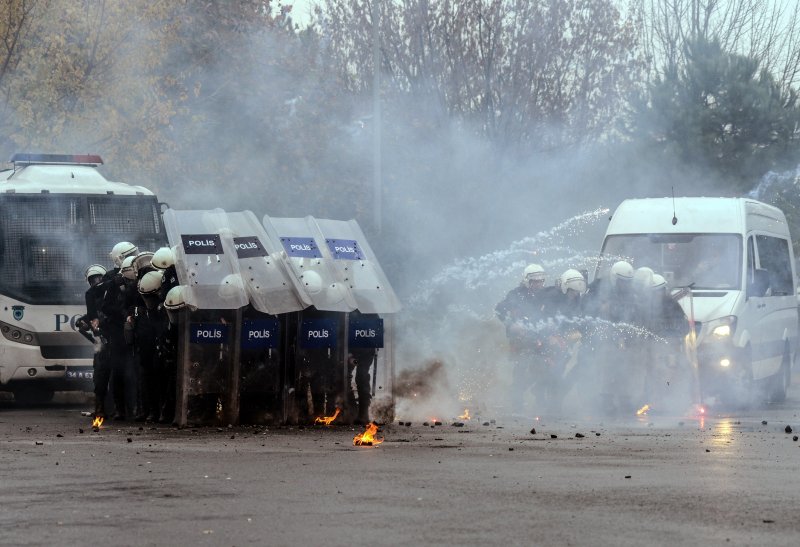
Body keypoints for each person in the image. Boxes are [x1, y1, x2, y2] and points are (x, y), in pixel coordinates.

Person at [495, 263, 557, 414]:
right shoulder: (516, 295)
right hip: (521, 339)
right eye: (535, 281)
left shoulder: (547, 295)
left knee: (545, 368)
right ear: (527, 281)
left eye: (541, 281)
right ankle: (517, 403)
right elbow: (500, 310)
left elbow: (555, 313)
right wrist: (512, 324)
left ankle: (541, 400)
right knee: (521, 369)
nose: (538, 284)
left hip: (541, 338)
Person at [78, 264, 109, 419]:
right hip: (100, 342)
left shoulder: (111, 292)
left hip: (115, 341)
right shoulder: (91, 295)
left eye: (98, 278)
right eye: (92, 280)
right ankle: (100, 409)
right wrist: (83, 322)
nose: (96, 282)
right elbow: (92, 315)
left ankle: (121, 410)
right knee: (99, 377)